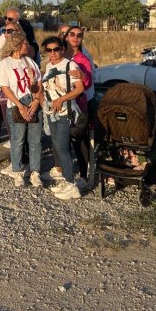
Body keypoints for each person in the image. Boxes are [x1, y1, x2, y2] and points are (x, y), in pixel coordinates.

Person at [40, 36, 84, 201]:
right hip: (52, 112)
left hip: (66, 112)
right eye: (49, 50)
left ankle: (71, 184)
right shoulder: (49, 65)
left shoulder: (70, 65)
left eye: (56, 49)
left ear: (62, 49)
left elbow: (79, 88)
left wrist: (61, 99)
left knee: (63, 147)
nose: (53, 53)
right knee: (57, 146)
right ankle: (66, 180)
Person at [0, 31, 43, 187]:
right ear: (17, 45)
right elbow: (5, 87)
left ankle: (35, 172)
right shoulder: (5, 63)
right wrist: (19, 105)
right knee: (18, 139)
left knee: (35, 140)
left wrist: (36, 99)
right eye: (25, 44)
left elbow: (38, 85)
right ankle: (17, 171)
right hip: (16, 104)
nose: (28, 46)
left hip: (32, 102)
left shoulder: (30, 62)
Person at [64, 25, 93, 189]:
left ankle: (84, 175)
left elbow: (88, 82)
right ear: (66, 36)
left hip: (78, 105)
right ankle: (66, 175)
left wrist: (83, 76)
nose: (75, 37)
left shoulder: (83, 59)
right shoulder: (60, 55)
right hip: (61, 105)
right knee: (63, 140)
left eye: (79, 35)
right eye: (72, 34)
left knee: (79, 140)